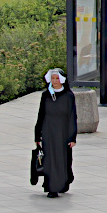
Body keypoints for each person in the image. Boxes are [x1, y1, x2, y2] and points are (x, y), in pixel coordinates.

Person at [34, 69, 77, 198]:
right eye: (52, 78)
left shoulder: (68, 96)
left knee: (62, 159)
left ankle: (63, 182)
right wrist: (38, 135)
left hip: (63, 131)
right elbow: (41, 115)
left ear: (62, 80)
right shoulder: (46, 95)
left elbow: (72, 116)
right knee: (49, 159)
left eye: (57, 78)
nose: (54, 81)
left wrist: (72, 137)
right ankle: (51, 187)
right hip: (48, 131)